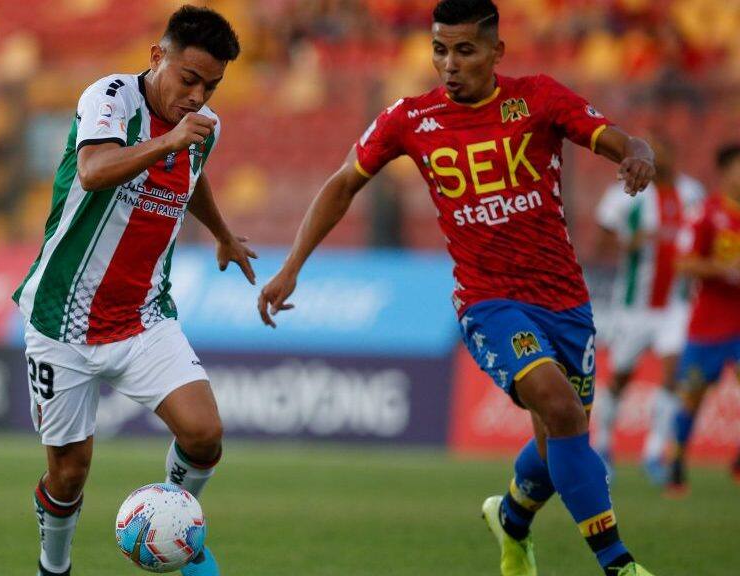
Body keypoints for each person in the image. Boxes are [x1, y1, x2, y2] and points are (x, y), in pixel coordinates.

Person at [258, 1, 657, 575]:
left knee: (557, 442)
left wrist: (636, 151)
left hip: (565, 300)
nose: (449, 63)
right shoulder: (408, 118)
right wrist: (293, 264)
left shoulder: (538, 97)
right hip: (487, 300)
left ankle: (512, 522)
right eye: (440, 49)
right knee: (559, 407)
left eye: (465, 50)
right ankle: (619, 565)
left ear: (496, 52)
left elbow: (609, 136)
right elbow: (344, 183)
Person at [13, 6, 256, 576]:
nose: (198, 97)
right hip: (61, 317)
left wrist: (221, 233)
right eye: (189, 79)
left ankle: (176, 521)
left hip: (144, 315)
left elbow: (190, 177)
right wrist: (171, 139)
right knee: (69, 472)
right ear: (157, 57)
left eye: (211, 86)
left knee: (204, 434)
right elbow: (95, 170)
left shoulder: (201, 129)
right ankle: (55, 566)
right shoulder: (112, 96)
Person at [593, 132, 704, 484]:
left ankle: (655, 452)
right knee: (621, 378)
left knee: (673, 373)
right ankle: (604, 445)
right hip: (633, 307)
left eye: (664, 150)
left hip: (676, 305)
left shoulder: (692, 193)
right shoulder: (624, 194)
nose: (660, 158)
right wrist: (629, 240)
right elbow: (602, 238)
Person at [668, 143, 740, 493]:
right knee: (693, 394)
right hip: (709, 323)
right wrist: (722, 269)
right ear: (725, 172)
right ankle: (677, 460)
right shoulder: (705, 213)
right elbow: (682, 264)